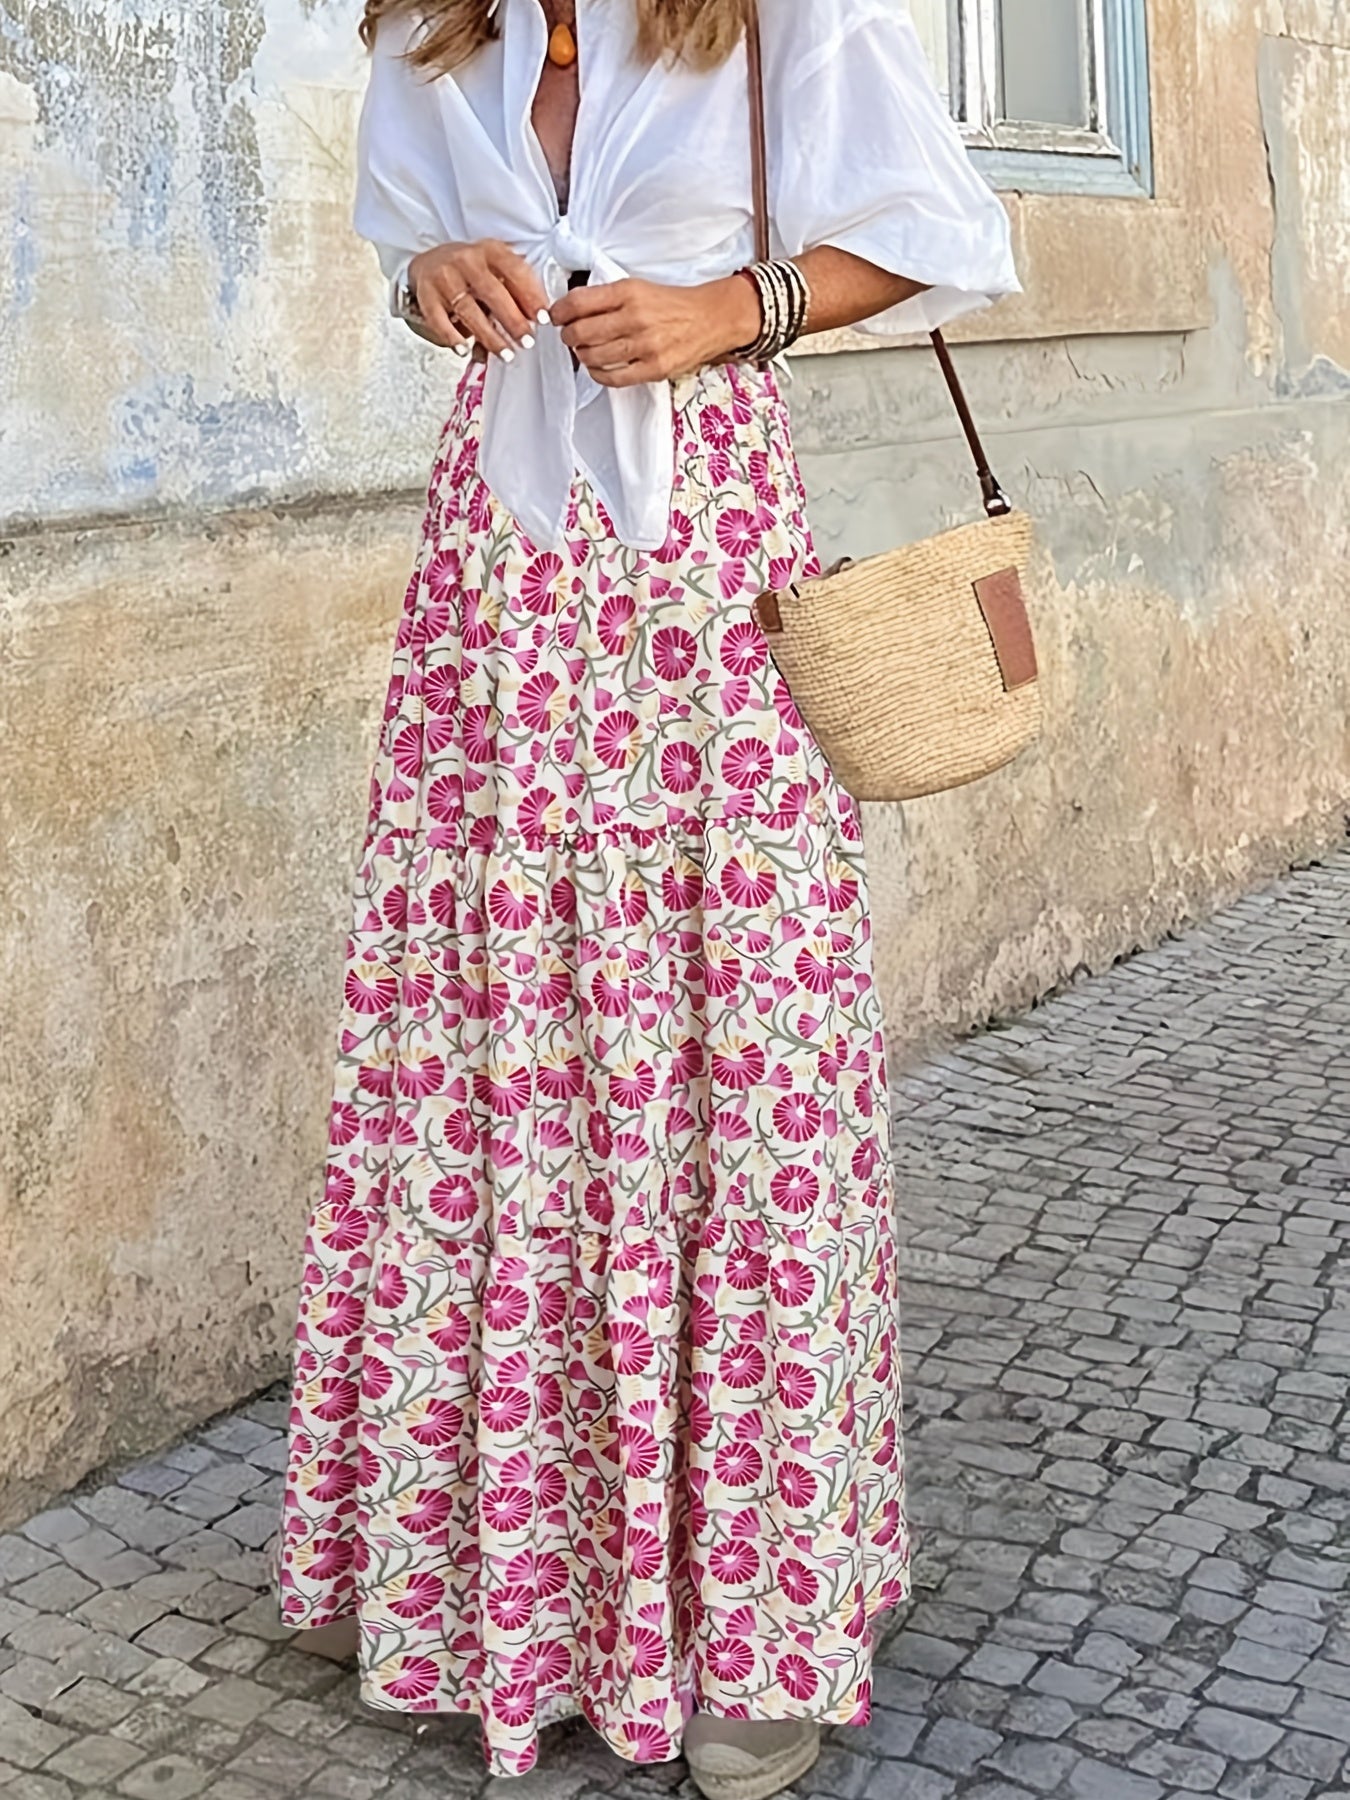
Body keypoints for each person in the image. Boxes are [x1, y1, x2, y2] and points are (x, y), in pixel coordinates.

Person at [277, 3, 1018, 1797]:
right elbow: (406, 271)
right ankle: (480, 1584)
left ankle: (762, 1618)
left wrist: (725, 311)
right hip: (496, 596)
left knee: (747, 1060)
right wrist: (434, 284)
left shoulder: (775, 16)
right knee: (481, 1061)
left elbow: (942, 237)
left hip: (706, 584)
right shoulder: (433, 40)